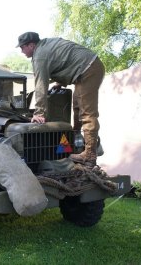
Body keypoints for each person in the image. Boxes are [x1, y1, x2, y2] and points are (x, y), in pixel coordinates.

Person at [17, 31, 105, 168]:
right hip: (88, 67)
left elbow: (41, 84)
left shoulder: (39, 56)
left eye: (22, 47)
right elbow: (63, 60)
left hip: (88, 70)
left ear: (31, 45)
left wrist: (39, 112)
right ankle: (77, 142)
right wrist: (60, 82)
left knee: (87, 114)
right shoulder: (46, 45)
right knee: (77, 106)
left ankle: (89, 155)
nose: (22, 51)